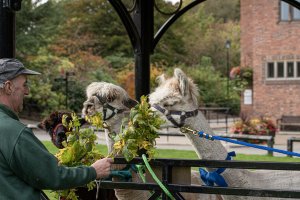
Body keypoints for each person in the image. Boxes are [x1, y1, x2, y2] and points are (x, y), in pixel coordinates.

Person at [0, 58, 113, 200]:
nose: (27, 91)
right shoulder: (13, 132)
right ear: (9, 87)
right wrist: (93, 171)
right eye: (24, 85)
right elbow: (52, 176)